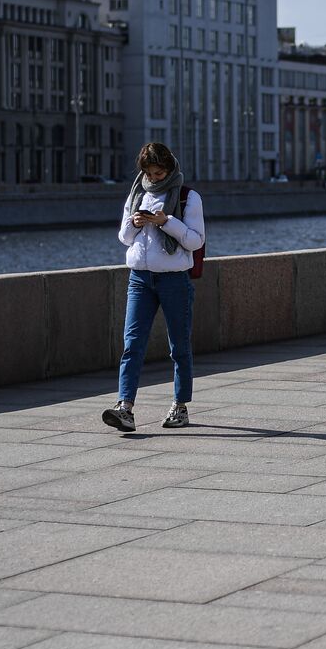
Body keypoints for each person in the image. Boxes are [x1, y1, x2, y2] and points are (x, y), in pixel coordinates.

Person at [102, 142, 205, 433]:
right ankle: (125, 408)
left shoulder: (188, 197)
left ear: (170, 168)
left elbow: (195, 241)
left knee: (179, 346)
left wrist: (166, 222)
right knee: (132, 344)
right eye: (150, 173)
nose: (155, 178)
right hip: (140, 278)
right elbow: (124, 237)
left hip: (174, 279)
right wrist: (136, 222)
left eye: (160, 173)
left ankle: (180, 406)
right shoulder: (137, 193)